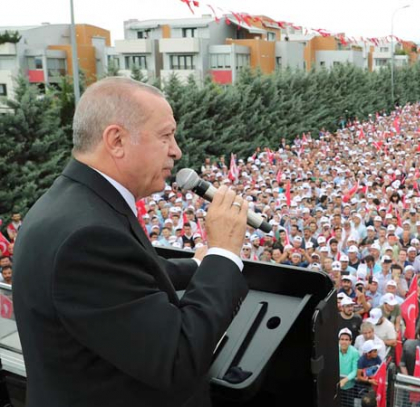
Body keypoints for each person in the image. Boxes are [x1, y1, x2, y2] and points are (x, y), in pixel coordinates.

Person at [12, 77, 250, 407]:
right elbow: (177, 359)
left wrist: (198, 265)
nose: (176, 150)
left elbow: (128, 279)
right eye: (165, 135)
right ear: (117, 140)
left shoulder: (72, 204)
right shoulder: (88, 238)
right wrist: (224, 253)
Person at [338, 328, 360, 407]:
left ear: (350, 341)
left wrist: (344, 380)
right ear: (339, 340)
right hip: (336, 385)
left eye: (347, 339)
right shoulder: (334, 349)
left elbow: (355, 371)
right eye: (342, 339)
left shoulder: (355, 352)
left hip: (349, 387)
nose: (344, 341)